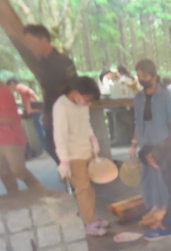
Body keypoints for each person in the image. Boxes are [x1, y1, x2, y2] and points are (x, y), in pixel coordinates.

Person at [52, 76, 107, 236]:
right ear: (76, 93)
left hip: (86, 151)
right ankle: (87, 223)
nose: (88, 103)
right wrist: (63, 161)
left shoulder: (82, 104)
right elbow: (59, 136)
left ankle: (91, 217)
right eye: (87, 99)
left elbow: (87, 124)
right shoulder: (61, 106)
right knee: (82, 189)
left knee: (90, 189)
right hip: (73, 155)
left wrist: (93, 140)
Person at [23, 24, 77, 165]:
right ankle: (70, 177)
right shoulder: (43, 63)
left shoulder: (62, 62)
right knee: (51, 147)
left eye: (31, 41)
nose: (30, 46)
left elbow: (73, 89)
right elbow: (47, 90)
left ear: (42, 39)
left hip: (65, 112)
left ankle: (76, 179)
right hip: (51, 111)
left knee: (65, 149)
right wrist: (47, 111)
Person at [129, 59, 171, 213]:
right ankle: (153, 205)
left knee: (161, 175)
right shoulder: (138, 98)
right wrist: (133, 144)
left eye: (145, 75)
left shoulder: (165, 96)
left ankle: (167, 206)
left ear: (154, 77)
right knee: (147, 175)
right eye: (139, 76)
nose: (141, 79)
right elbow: (137, 122)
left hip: (161, 141)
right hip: (145, 141)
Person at [0, 80, 43, 193]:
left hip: (12, 139)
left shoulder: (4, 92)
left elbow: (9, 119)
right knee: (4, 174)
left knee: (18, 171)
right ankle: (15, 200)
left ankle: (41, 194)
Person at [6, 77, 45, 153]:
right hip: (33, 111)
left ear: (12, 84)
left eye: (9, 86)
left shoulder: (20, 88)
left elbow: (30, 93)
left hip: (34, 111)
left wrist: (35, 104)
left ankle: (44, 148)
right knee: (39, 129)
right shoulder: (21, 90)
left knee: (39, 130)